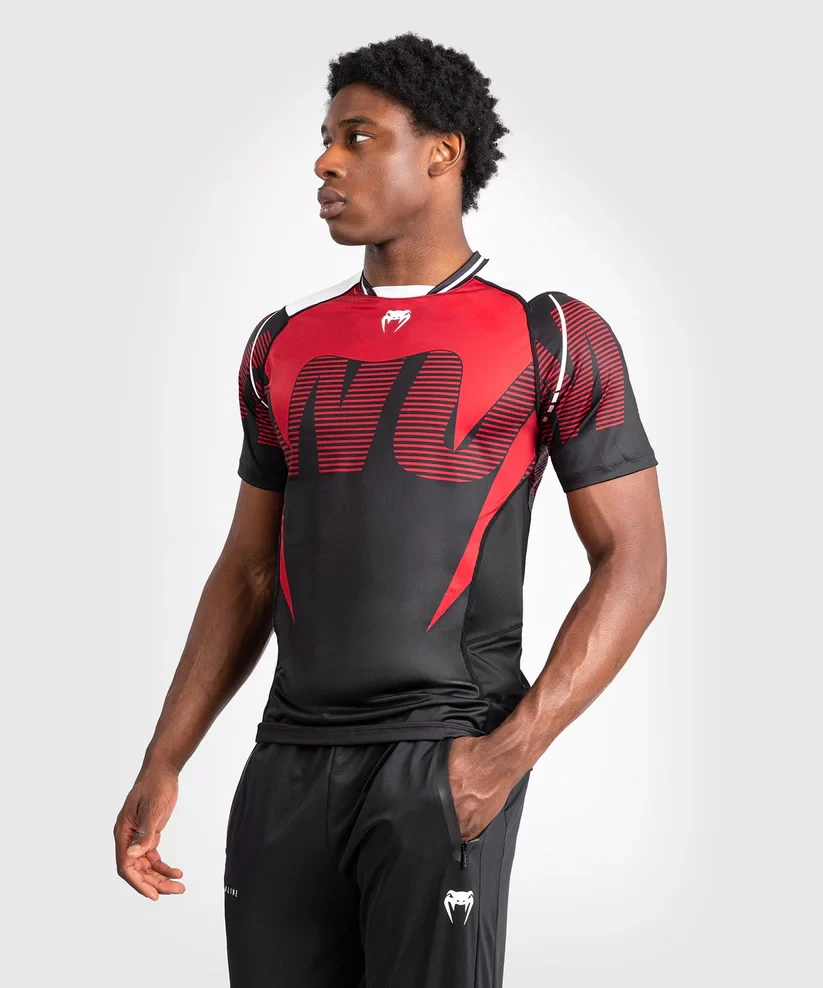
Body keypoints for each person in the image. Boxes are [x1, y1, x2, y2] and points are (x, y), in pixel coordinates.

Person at [113, 31, 667, 987]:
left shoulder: (549, 334)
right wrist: (164, 759)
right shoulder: (282, 342)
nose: (325, 162)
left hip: (441, 756)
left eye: (357, 137)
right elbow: (247, 569)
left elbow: (635, 562)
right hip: (285, 763)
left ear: (442, 153)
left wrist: (502, 760)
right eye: (325, 140)